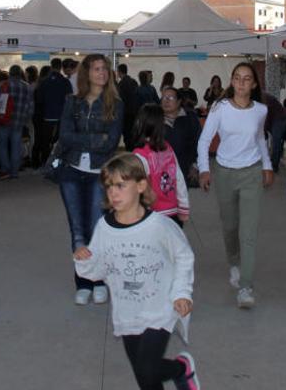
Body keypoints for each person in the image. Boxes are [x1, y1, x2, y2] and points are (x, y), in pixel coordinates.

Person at [73, 153, 199, 390]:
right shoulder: (104, 228)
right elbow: (98, 270)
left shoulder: (159, 226)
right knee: (145, 378)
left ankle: (181, 369)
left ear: (141, 186)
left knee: (147, 369)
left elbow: (184, 256)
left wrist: (182, 293)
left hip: (161, 308)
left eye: (121, 185)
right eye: (109, 186)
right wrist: (84, 260)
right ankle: (181, 370)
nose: (114, 193)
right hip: (128, 312)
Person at [197, 62, 274, 309]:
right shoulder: (220, 108)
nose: (241, 83)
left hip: (251, 173)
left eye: (247, 79)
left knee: (248, 233)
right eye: (237, 78)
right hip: (224, 172)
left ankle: (246, 287)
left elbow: (260, 138)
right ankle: (234, 262)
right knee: (230, 226)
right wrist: (204, 170)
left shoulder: (261, 110)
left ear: (253, 84)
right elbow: (204, 140)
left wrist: (267, 165)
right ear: (232, 81)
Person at [57, 54, 123, 305]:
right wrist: (96, 140)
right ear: (87, 73)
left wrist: (85, 140)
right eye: (97, 69)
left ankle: (99, 280)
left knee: (98, 229)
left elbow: (113, 141)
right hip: (71, 171)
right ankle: (83, 281)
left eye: (105, 69)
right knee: (77, 230)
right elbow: (65, 136)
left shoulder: (116, 104)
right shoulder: (71, 102)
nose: (102, 74)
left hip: (100, 173)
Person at [132, 104, 190, 227]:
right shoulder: (167, 147)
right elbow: (179, 177)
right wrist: (184, 205)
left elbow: (138, 189)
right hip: (171, 213)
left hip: (152, 215)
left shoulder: (140, 154)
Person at [0, 65, 34, 180]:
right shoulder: (27, 87)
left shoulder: (4, 85)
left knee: (2, 145)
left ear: (10, 73)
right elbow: (31, 106)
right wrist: (26, 119)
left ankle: (5, 169)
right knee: (16, 146)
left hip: (4, 119)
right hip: (19, 120)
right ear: (20, 73)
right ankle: (15, 172)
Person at [35, 57, 73, 166]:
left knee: (45, 141)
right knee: (60, 141)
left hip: (47, 115)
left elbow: (39, 99)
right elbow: (70, 98)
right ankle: (59, 163)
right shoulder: (65, 81)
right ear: (60, 67)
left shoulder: (44, 82)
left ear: (51, 66)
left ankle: (45, 163)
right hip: (62, 116)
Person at [161, 86, 201, 184]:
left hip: (184, 167)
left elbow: (199, 142)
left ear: (179, 102)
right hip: (161, 169)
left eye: (170, 98)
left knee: (182, 196)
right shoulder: (155, 119)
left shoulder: (190, 118)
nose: (166, 101)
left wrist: (195, 165)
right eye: (164, 98)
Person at [262, 91, 286, 173]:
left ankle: (274, 166)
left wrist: (264, 130)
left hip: (280, 118)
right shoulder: (259, 97)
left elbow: (265, 115)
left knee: (277, 141)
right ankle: (274, 161)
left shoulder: (262, 97)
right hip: (277, 118)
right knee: (281, 140)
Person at [117, 63, 140, 150]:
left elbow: (120, 100)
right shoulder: (133, 81)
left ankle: (129, 152)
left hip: (126, 113)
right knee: (133, 134)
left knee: (127, 135)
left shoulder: (122, 84)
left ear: (119, 72)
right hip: (134, 112)